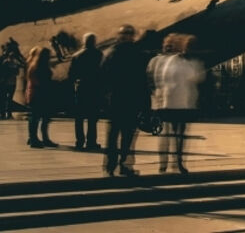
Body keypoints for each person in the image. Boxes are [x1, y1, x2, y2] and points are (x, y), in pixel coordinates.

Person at [148, 34, 204, 173]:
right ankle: (164, 162)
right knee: (168, 133)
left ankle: (177, 162)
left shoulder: (187, 62)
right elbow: (159, 79)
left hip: (183, 103)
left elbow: (194, 79)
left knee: (179, 134)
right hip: (169, 102)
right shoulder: (166, 61)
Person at [101, 24, 147, 176]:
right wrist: (145, 102)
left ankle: (109, 166)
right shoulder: (137, 53)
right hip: (130, 99)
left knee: (113, 134)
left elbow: (102, 77)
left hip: (115, 99)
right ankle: (124, 165)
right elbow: (142, 80)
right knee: (127, 135)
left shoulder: (109, 53)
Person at [68, 33, 103, 150]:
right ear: (94, 42)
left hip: (81, 87)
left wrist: (74, 85)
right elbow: (102, 71)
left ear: (84, 41)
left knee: (79, 117)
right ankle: (91, 141)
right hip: (94, 87)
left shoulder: (76, 56)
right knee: (92, 117)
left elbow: (71, 74)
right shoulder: (98, 54)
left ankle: (79, 141)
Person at [25, 47, 58, 148]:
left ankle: (40, 138)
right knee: (36, 117)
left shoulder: (39, 65)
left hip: (40, 93)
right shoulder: (36, 67)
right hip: (39, 94)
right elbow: (35, 81)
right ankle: (35, 139)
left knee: (43, 117)